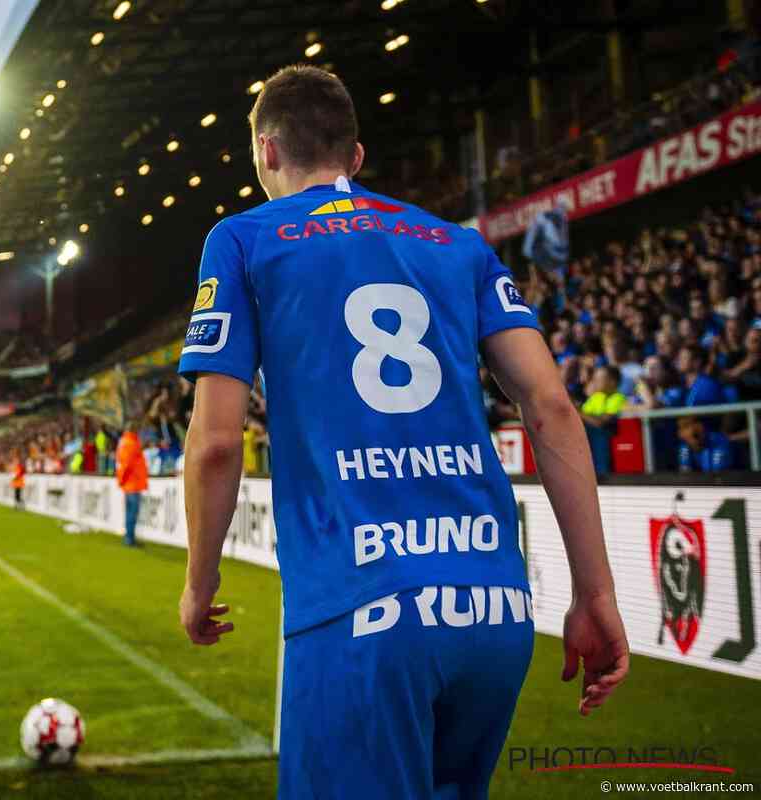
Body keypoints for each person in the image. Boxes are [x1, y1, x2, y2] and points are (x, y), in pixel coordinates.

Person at [176, 65, 628, 800]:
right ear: (356, 157)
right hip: (493, 610)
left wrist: (201, 582)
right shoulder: (458, 244)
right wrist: (595, 591)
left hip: (361, 609)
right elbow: (551, 409)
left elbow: (217, 441)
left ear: (266, 152)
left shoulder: (243, 240)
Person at [579, 366, 626, 476]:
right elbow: (584, 416)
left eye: (600, 378)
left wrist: (576, 410)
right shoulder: (596, 397)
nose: (595, 382)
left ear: (613, 382)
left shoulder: (618, 398)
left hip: (607, 438)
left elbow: (601, 422)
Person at [115, 419, 148, 547]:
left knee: (129, 513)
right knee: (132, 513)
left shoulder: (124, 442)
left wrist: (121, 481)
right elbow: (127, 464)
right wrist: (123, 480)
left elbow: (122, 464)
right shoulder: (131, 443)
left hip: (129, 484)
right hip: (133, 484)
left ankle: (129, 537)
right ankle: (130, 539)